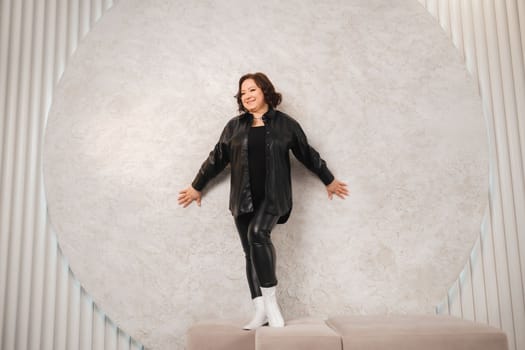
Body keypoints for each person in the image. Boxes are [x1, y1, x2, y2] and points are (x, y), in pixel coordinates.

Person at [178, 72, 348, 330]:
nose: (246, 95)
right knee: (250, 253)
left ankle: (272, 306)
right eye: (242, 92)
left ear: (265, 91)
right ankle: (260, 311)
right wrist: (196, 186)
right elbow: (216, 159)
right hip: (242, 200)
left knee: (258, 234)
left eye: (251, 90)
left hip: (273, 197)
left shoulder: (286, 124)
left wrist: (329, 179)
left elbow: (307, 153)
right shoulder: (234, 126)